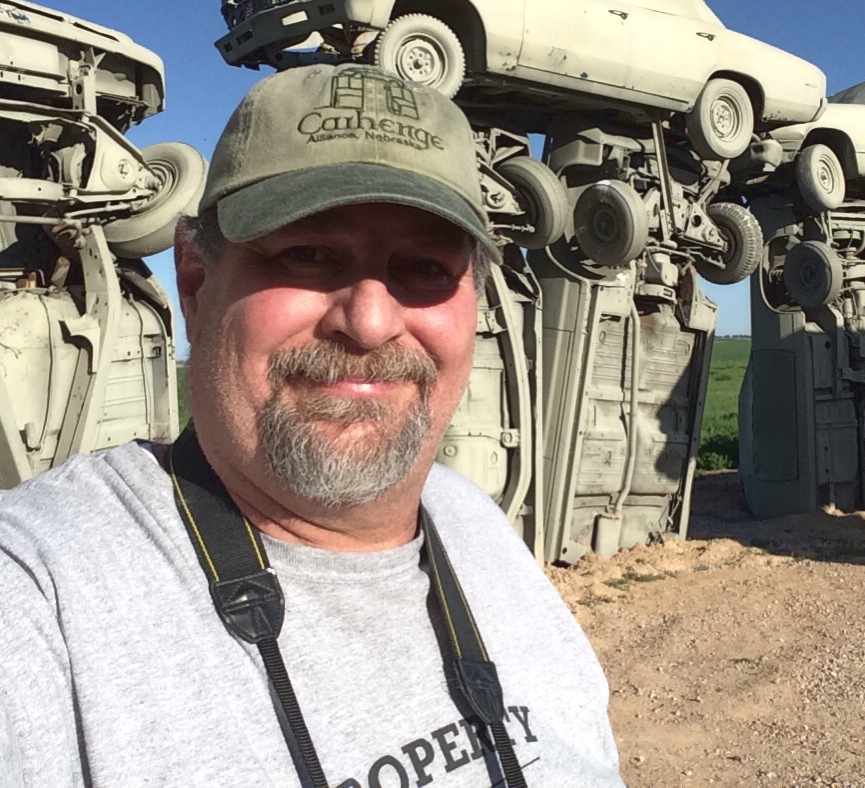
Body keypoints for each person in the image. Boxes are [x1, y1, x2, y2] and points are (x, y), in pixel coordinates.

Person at [0, 63, 624, 787]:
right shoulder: (43, 595)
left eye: (424, 267)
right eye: (309, 254)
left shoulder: (472, 525)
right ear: (197, 284)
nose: (369, 321)